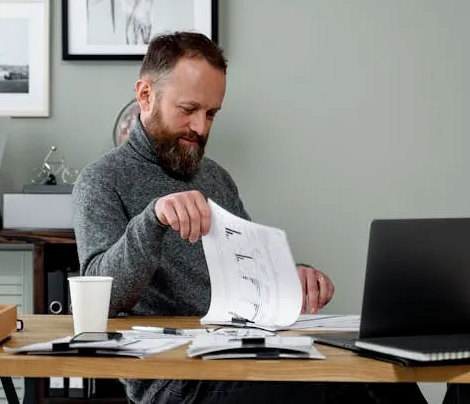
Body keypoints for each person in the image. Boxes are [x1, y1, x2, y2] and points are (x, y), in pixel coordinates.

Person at [72, 31, 428, 404]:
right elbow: (101, 297)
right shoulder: (101, 180)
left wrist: (293, 278)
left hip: (244, 356)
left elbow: (248, 272)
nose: (202, 127)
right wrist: (153, 219)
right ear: (145, 95)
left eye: (211, 114)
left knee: (385, 370)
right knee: (351, 387)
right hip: (178, 381)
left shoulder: (215, 177)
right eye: (189, 110)